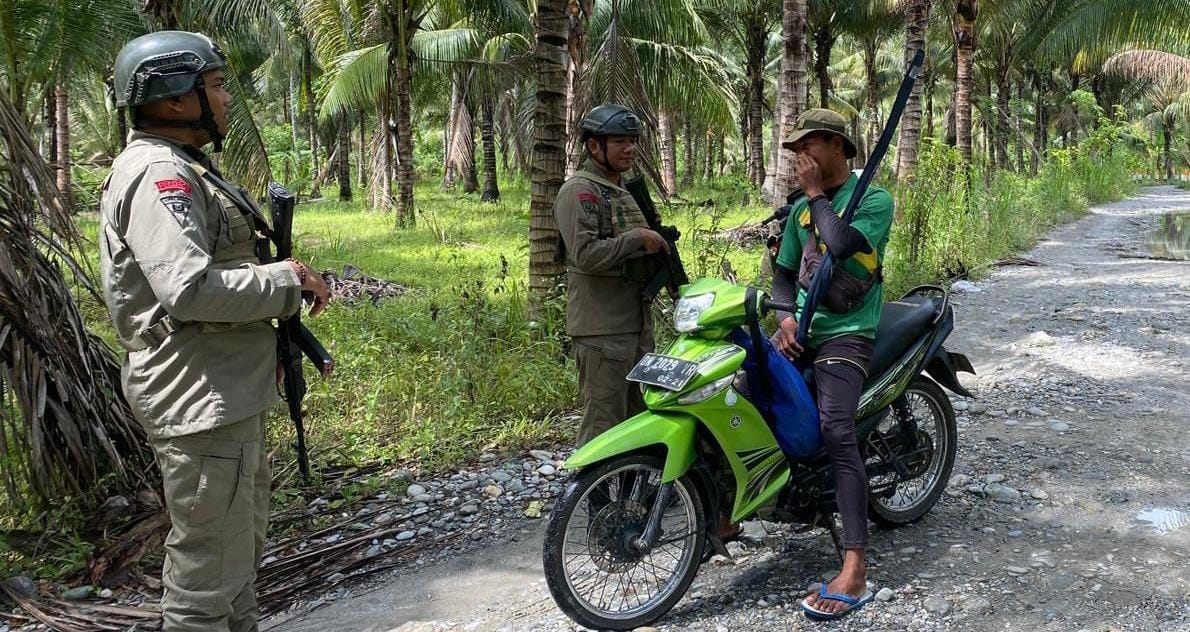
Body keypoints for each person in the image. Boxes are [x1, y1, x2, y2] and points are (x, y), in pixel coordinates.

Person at [99, 31, 329, 632]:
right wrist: (287, 279)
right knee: (207, 580)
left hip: (224, 390)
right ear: (176, 97)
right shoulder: (157, 175)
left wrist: (263, 347)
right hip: (200, 398)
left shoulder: (187, 167)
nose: (228, 98)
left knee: (237, 559)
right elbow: (191, 288)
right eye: (218, 84)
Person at [769, 109, 895, 620]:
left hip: (848, 334)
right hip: (806, 333)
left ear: (838, 147)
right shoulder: (801, 210)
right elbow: (782, 276)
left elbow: (841, 244)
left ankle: (855, 566)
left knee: (836, 429)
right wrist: (784, 320)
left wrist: (816, 195)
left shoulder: (873, 199)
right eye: (796, 147)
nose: (801, 156)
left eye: (810, 145)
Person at [552, 104, 670, 447]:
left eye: (633, 141)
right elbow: (586, 255)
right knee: (604, 424)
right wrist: (636, 239)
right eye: (620, 141)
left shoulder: (623, 190)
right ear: (594, 147)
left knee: (639, 421)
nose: (630, 149)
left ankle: (636, 495)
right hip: (602, 330)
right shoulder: (579, 191)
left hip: (635, 325)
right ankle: (595, 498)